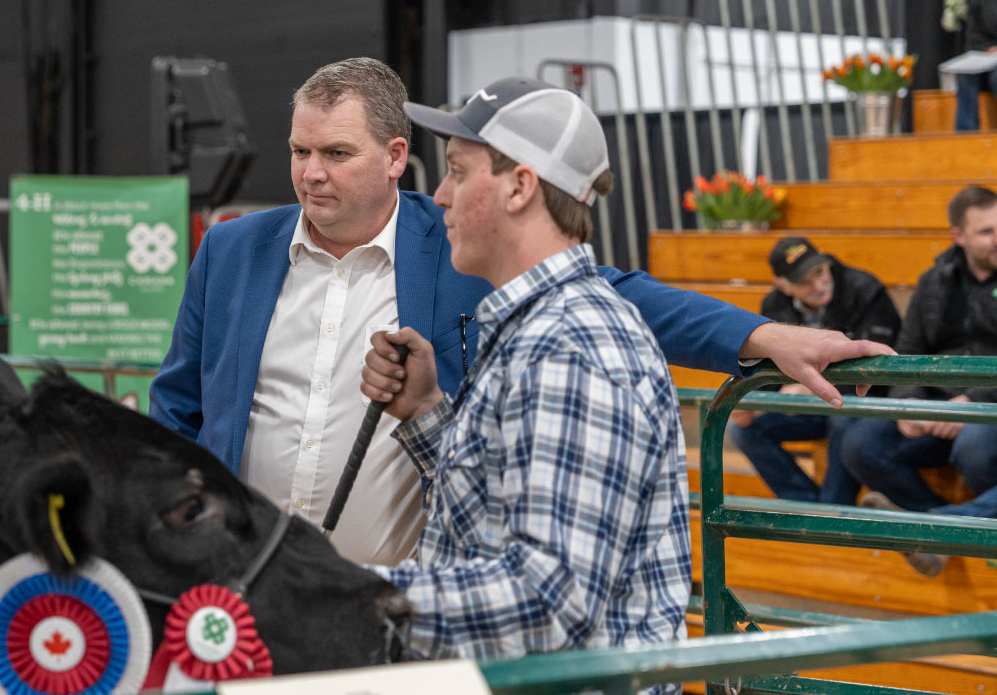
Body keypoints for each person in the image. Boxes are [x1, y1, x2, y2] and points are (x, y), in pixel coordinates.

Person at [148, 57, 893, 566]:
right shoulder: (232, 251)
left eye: (336, 153)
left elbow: (611, 290)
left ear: (395, 156)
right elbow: (176, 411)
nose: (310, 173)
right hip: (239, 594)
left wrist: (763, 335)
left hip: (400, 597)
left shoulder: (456, 239)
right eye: (298, 150)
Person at [356, 77, 685, 664]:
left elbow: (546, 604)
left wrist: (342, 599)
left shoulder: (571, 346)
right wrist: (430, 414)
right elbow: (499, 510)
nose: (439, 195)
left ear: (519, 187)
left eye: (457, 170)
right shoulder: (541, 327)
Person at [842, 185, 997, 574]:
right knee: (860, 444)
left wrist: (974, 402)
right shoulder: (934, 282)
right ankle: (939, 526)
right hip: (935, 407)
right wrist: (910, 402)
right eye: (986, 232)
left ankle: (942, 531)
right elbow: (907, 351)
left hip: (986, 410)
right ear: (958, 236)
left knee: (976, 445)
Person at [727, 237, 901, 504]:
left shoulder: (865, 289)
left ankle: (832, 509)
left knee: (843, 415)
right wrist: (754, 400)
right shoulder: (773, 306)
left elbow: (879, 363)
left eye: (820, 272)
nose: (819, 285)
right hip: (810, 406)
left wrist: (808, 386)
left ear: (825, 260)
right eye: (805, 282)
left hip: (862, 402)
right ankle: (807, 507)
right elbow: (767, 368)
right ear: (782, 286)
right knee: (742, 428)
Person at [956, 0, 997, 131]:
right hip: (988, 54)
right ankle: (967, 134)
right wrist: (987, 48)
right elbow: (974, 30)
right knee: (965, 74)